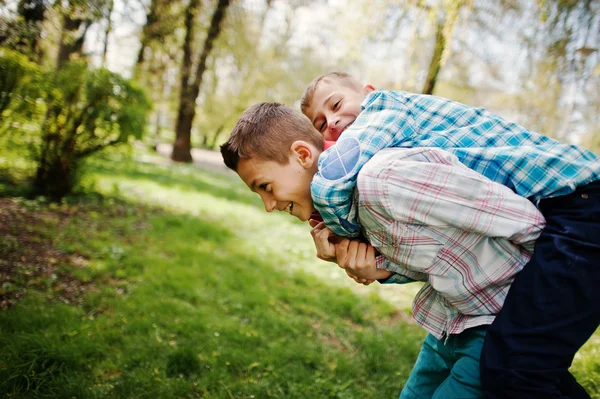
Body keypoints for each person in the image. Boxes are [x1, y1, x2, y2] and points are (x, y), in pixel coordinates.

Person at [300, 72, 600, 399]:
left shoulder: (383, 111)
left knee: (516, 368)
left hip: (582, 205)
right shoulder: (396, 156)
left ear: (369, 92)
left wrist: (338, 233)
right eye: (319, 123)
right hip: (565, 209)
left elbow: (332, 183)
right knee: (525, 365)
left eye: (336, 104)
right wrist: (380, 264)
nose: (330, 121)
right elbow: (434, 246)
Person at [220, 102, 546, 398]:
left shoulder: (382, 180)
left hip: (495, 322)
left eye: (265, 187)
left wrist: (539, 307)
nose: (267, 205)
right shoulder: (344, 210)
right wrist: (380, 269)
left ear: (303, 155)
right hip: (448, 322)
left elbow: (517, 219)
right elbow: (436, 254)